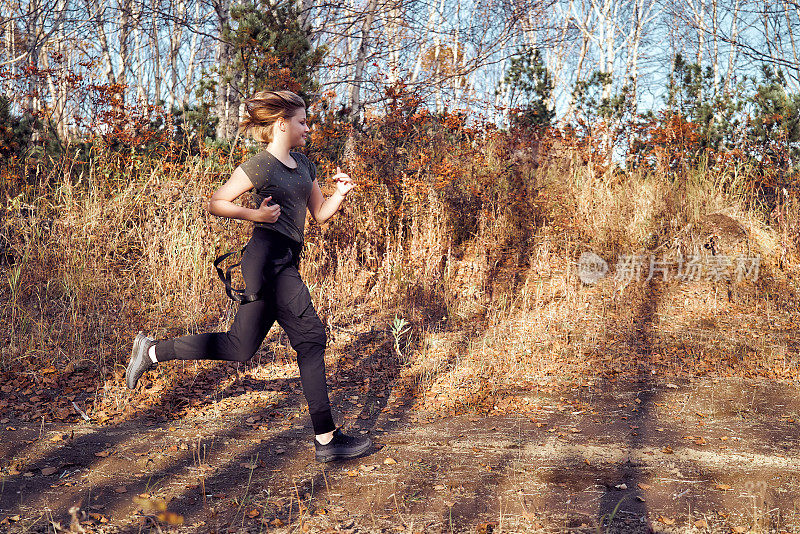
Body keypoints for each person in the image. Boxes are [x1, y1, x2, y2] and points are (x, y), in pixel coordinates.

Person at [125, 90, 371, 462]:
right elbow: (217, 201)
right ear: (281, 124)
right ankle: (326, 439)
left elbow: (319, 214)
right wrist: (253, 216)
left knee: (239, 347)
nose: (308, 127)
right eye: (302, 121)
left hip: (286, 258)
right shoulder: (261, 165)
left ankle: (153, 351)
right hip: (266, 259)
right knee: (311, 337)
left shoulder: (304, 164)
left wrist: (340, 194)